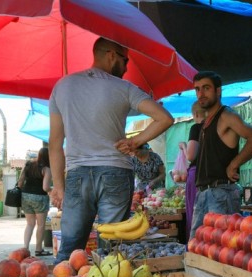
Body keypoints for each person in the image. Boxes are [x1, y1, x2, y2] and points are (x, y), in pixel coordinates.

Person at [49, 37, 173, 262]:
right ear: (111, 55)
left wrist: (58, 186)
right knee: (112, 249)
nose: (126, 68)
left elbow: (55, 143)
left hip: (77, 174)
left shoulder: (62, 86)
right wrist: (135, 142)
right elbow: (164, 118)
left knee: (70, 249)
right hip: (115, 172)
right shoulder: (124, 88)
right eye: (125, 61)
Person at [189, 71, 252, 238]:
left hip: (221, 193)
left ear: (218, 91)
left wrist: (234, 164)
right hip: (204, 193)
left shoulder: (226, 116)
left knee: (221, 250)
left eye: (206, 88)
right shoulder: (205, 122)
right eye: (197, 89)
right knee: (196, 249)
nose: (201, 94)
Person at [179, 101, 206, 243]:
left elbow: (190, 156)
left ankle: (194, 244)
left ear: (195, 114)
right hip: (211, 177)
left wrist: (183, 146)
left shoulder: (196, 128)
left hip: (196, 175)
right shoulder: (216, 127)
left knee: (195, 212)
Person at [17, 148, 52, 256]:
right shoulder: (46, 169)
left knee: (30, 224)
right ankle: (38, 249)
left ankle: (25, 248)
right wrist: (53, 190)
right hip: (40, 198)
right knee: (40, 225)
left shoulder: (28, 165)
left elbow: (20, 182)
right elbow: (45, 187)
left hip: (25, 196)